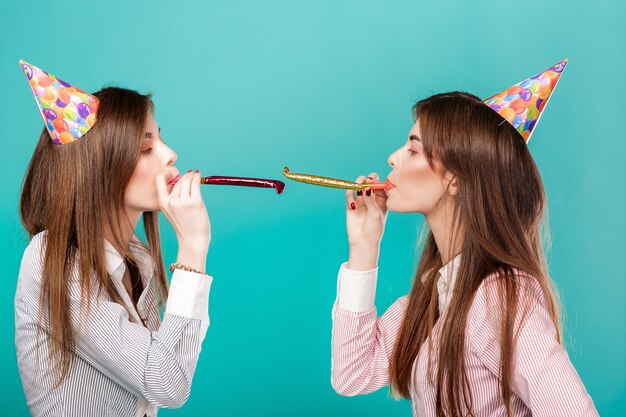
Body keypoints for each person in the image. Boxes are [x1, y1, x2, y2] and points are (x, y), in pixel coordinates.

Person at [330, 60, 599, 416]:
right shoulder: (436, 296)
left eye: (413, 148)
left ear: (455, 179)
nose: (393, 158)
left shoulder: (498, 299)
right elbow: (352, 373)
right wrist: (364, 246)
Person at [15, 61, 212, 417]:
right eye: (146, 148)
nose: (171, 155)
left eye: (162, 140)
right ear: (102, 170)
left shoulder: (138, 259)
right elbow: (166, 381)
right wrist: (194, 248)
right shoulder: (50, 259)